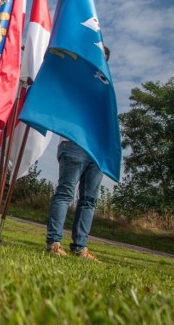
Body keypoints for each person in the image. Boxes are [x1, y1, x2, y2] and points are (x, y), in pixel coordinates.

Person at [45, 46, 111, 260]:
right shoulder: (74, 80)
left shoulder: (106, 88)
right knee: (65, 193)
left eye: (105, 60)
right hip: (74, 146)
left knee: (89, 200)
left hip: (97, 151)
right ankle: (54, 242)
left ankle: (80, 247)